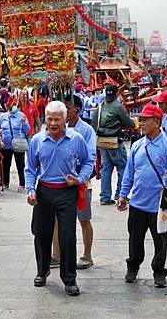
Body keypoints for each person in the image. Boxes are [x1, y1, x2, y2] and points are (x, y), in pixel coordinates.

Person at [25, 101, 94, 297]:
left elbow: (89, 161)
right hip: (44, 192)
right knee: (41, 234)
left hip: (67, 192)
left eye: (57, 119)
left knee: (67, 236)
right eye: (49, 119)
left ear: (65, 120)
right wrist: (31, 189)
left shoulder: (77, 139)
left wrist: (80, 178)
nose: (53, 123)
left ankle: (69, 279)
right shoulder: (37, 140)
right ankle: (42, 270)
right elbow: (30, 168)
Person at [118, 104, 167, 287]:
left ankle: (159, 272)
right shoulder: (137, 145)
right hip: (137, 203)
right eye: (141, 119)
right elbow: (129, 174)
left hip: (160, 204)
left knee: (160, 241)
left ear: (157, 122)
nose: (141, 123)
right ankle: (133, 267)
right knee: (135, 239)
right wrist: (123, 195)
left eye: (145, 120)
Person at [52, 95, 98, 270]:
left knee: (83, 219)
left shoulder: (85, 130)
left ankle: (87, 255)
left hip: (80, 181)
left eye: (67, 108)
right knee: (56, 219)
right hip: (60, 182)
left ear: (77, 110)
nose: (64, 111)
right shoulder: (57, 128)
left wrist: (79, 177)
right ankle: (57, 255)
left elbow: (90, 157)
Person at [91, 84, 134, 204]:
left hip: (103, 142)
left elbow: (94, 125)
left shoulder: (100, 107)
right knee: (123, 167)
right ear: (116, 94)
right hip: (115, 141)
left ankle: (105, 197)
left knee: (106, 168)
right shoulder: (118, 107)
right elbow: (128, 123)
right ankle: (120, 194)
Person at [0, 101, 30, 192]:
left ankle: (22, 183)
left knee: (20, 165)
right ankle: (5, 183)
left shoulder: (22, 115)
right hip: (6, 145)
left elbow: (27, 130)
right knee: (6, 164)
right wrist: (0, 139)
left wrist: (24, 123)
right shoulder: (3, 116)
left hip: (18, 144)